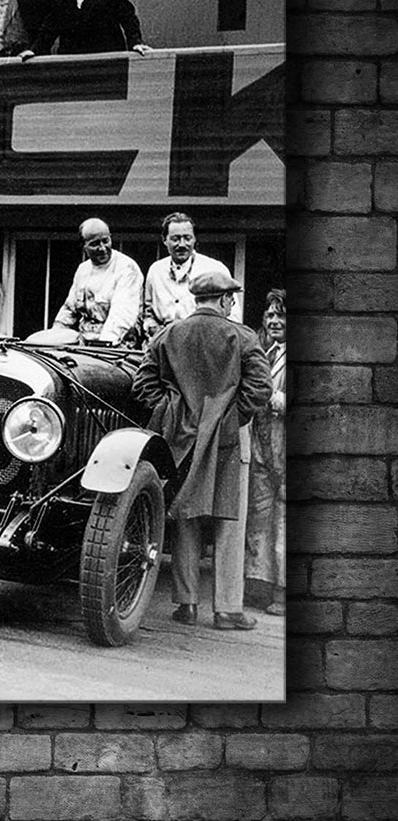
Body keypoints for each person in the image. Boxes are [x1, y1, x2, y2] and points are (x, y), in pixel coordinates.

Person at [132, 267, 272, 631]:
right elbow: (259, 389)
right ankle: (227, 610)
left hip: (180, 440)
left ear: (197, 299)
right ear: (225, 300)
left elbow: (143, 383)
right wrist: (227, 420)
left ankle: (187, 604)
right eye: (230, 299)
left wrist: (171, 415)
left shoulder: (169, 334)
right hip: (227, 441)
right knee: (230, 523)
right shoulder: (241, 336)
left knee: (186, 518)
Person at [33, 217, 143, 347]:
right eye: (95, 244)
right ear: (84, 246)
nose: (102, 248)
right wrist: (55, 336)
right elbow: (69, 310)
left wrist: (103, 347)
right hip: (84, 343)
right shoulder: (83, 270)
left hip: (117, 346)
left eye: (105, 241)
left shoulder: (127, 268)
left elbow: (121, 316)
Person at [245, 289, 287, 617]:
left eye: (281, 315)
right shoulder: (265, 351)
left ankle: (284, 590)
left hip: (286, 444)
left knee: (285, 519)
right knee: (259, 515)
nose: (274, 320)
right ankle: (258, 584)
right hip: (262, 442)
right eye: (271, 315)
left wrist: (279, 399)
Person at [141, 211, 233, 337]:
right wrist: (154, 330)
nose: (182, 244)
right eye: (175, 239)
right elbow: (148, 313)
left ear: (194, 239)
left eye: (187, 238)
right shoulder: (156, 271)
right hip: (163, 342)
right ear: (164, 240)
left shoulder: (215, 269)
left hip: (202, 341)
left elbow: (232, 316)